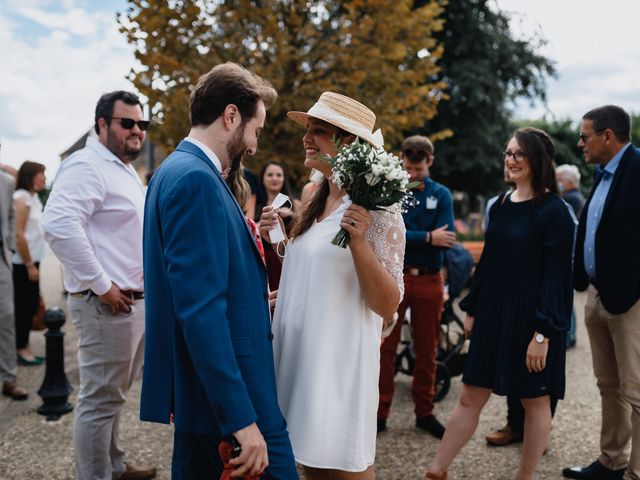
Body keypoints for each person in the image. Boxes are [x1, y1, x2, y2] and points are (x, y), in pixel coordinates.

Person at [141, 62, 297, 479]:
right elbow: (199, 310)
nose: (255, 146)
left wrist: (255, 300)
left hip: (203, 390)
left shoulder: (175, 171)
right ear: (231, 115)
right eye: (256, 130)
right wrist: (241, 420)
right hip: (234, 392)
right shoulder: (196, 181)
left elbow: (200, 285)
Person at [260, 91, 405, 479]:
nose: (307, 138)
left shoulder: (378, 209)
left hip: (337, 360)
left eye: (319, 131)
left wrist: (359, 242)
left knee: (340, 468)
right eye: (308, 129)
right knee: (308, 465)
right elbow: (317, 269)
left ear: (351, 143)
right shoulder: (314, 199)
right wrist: (285, 292)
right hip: (299, 354)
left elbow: (387, 303)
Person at [426, 127, 575, 480]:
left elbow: (558, 278)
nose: (510, 160)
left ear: (538, 159)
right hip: (494, 314)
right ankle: (435, 471)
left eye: (518, 154)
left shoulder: (556, 212)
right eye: (507, 153)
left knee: (534, 401)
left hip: (531, 319)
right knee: (468, 396)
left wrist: (543, 335)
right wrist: (474, 308)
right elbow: (490, 262)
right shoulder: (503, 203)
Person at [42, 91, 155, 480]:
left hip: (129, 302)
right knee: (98, 400)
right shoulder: (87, 164)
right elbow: (57, 224)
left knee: (112, 397)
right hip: (107, 304)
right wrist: (101, 284)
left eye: (142, 124)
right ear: (102, 124)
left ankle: (114, 465)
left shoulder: (119, 167)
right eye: (128, 123)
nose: (137, 131)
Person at [562, 105, 640, 480]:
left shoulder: (638, 169)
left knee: (637, 391)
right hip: (596, 295)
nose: (579, 143)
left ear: (608, 136)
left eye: (584, 135)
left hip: (631, 302)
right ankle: (612, 462)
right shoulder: (602, 174)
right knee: (608, 386)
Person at [378, 135, 455, 439]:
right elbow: (386, 232)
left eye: (420, 168)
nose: (414, 173)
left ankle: (425, 412)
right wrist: (426, 237)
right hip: (394, 276)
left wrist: (410, 236)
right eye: (410, 167)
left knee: (427, 348)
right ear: (401, 159)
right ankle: (380, 412)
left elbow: (446, 239)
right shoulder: (389, 189)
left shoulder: (442, 194)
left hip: (429, 278)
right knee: (385, 345)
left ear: (430, 162)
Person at [12, 161, 46, 366]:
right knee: (24, 306)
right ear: (30, 176)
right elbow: (18, 235)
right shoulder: (21, 198)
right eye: (40, 174)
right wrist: (29, 264)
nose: (44, 178)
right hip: (24, 263)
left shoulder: (33, 198)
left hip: (35, 260)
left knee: (31, 303)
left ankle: (24, 345)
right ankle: (20, 348)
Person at [1, 168, 28, 401]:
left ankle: (9, 378)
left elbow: (10, 216)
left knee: (7, 316)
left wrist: (8, 247)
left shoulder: (7, 181)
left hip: (2, 258)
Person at [255, 161, 299, 290]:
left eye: (279, 175)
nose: (274, 178)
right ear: (262, 178)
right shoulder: (254, 205)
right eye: (270, 175)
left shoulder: (295, 204)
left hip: (285, 257)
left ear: (284, 179)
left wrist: (292, 215)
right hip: (263, 259)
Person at [556, 163, 584, 349]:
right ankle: (570, 334)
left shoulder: (571, 200)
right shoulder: (576, 197)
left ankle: (569, 334)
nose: (557, 183)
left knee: (566, 298)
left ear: (567, 181)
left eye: (559, 180)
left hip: (568, 256)